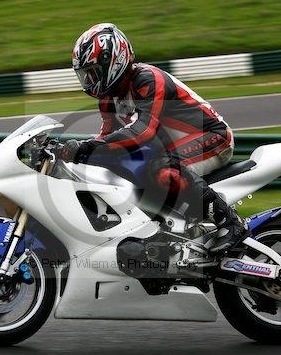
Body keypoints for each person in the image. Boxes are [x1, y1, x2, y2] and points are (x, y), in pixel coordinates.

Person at [61, 23, 247, 252]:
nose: (89, 80)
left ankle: (230, 222)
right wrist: (73, 152)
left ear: (113, 61)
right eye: (85, 74)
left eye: (93, 72)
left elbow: (143, 131)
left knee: (164, 170)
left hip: (212, 137)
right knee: (124, 167)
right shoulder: (109, 99)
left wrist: (90, 147)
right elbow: (108, 138)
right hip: (171, 147)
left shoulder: (149, 79)